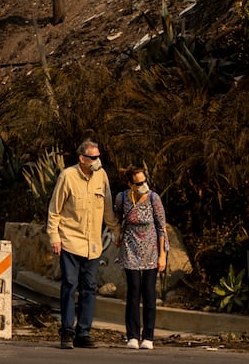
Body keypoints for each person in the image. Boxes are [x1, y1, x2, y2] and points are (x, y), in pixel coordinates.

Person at [47, 138, 116, 349]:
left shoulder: (101, 176)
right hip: (70, 241)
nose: (97, 161)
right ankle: (67, 332)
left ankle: (83, 332)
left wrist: (116, 230)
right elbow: (54, 209)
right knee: (70, 285)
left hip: (93, 245)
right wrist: (54, 237)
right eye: (93, 157)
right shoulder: (68, 176)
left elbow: (107, 208)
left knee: (89, 288)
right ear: (82, 158)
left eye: (98, 156)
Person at [114, 166, 168, 350]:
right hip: (130, 248)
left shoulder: (154, 198)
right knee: (134, 291)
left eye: (144, 181)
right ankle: (132, 335)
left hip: (151, 250)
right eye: (138, 183)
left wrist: (163, 255)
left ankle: (148, 336)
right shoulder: (122, 198)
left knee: (149, 292)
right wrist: (117, 235)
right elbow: (118, 218)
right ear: (130, 184)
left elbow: (161, 227)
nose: (143, 185)